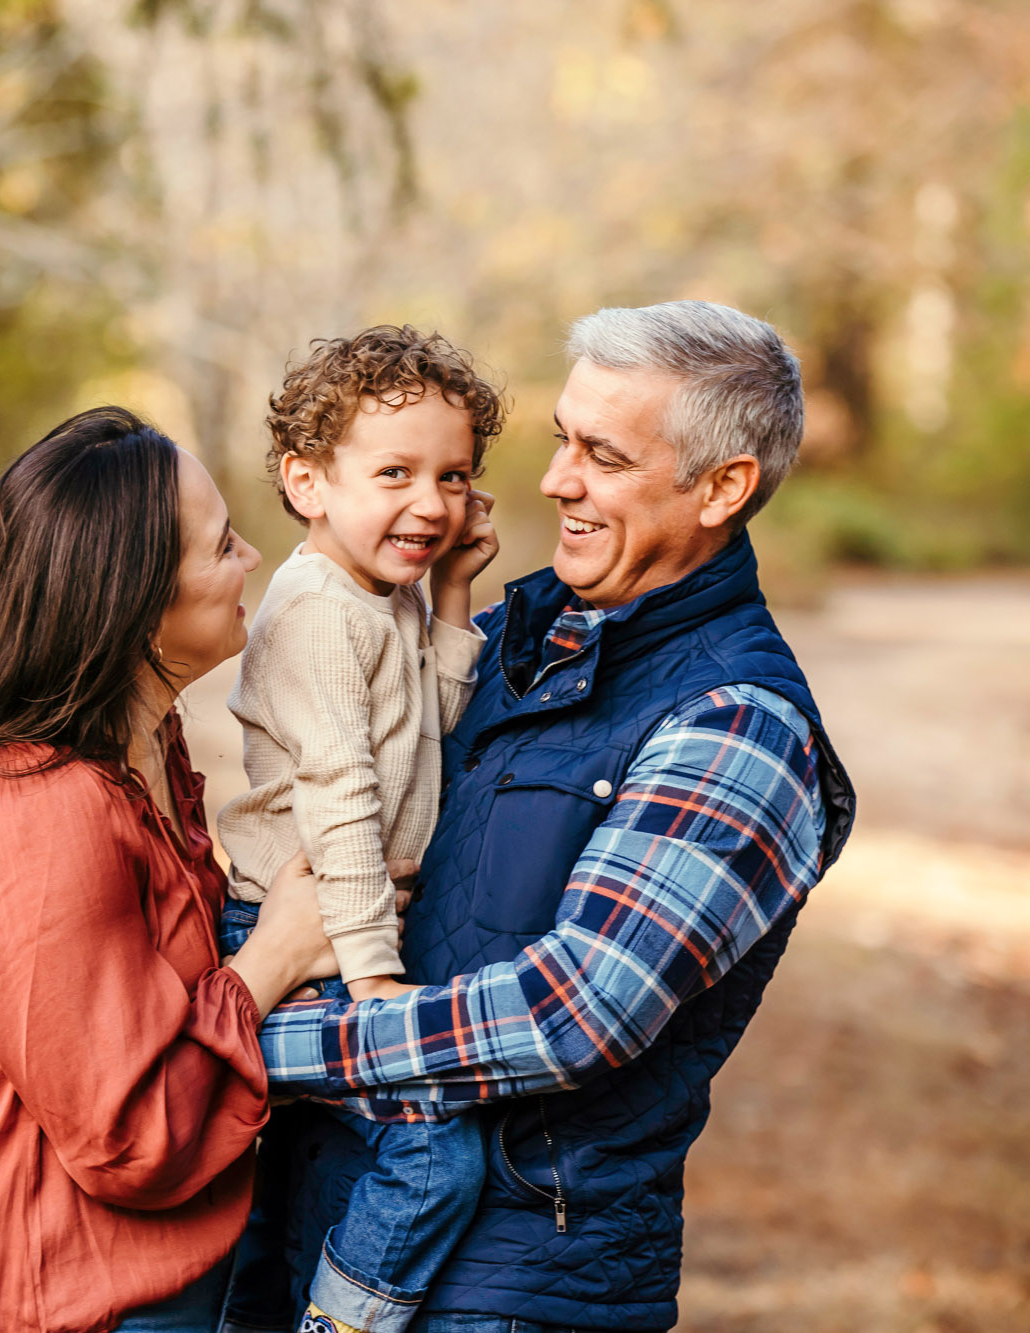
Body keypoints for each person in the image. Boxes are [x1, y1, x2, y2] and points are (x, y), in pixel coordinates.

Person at [257, 301, 859, 1332]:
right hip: (324, 1228)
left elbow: (572, 1012)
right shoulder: (509, 638)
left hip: (507, 1285)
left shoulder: (733, 724)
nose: (554, 481)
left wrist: (254, 1039)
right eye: (559, 441)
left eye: (603, 456)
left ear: (721, 487)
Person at [0, 407, 341, 1333]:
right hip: (43, 1304)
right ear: (133, 602)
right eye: (220, 546)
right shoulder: (31, 810)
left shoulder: (144, 760)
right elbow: (126, 1132)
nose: (251, 556)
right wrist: (275, 958)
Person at [213, 328, 503, 1333]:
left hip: (353, 925)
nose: (430, 502)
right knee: (432, 1153)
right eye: (394, 472)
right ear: (307, 482)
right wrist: (373, 973)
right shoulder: (318, 613)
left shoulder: (387, 599)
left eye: (453, 474)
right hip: (306, 933)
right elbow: (338, 792)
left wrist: (454, 595)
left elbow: (435, 730)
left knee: (293, 1172)